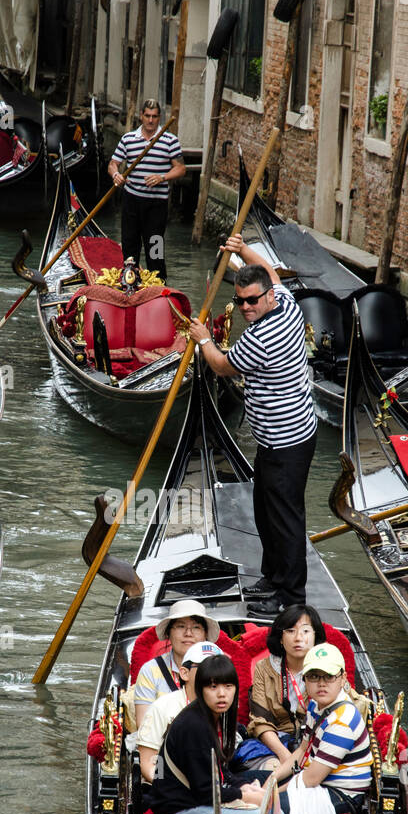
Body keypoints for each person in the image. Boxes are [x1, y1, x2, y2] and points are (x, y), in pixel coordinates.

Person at [190, 233, 317, 615]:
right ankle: (274, 577)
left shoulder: (262, 338)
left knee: (285, 520)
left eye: (251, 301)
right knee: (265, 511)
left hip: (286, 443)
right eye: (239, 300)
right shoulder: (287, 303)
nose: (244, 307)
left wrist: (203, 339)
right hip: (283, 437)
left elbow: (221, 365)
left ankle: (291, 597)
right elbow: (273, 274)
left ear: (266, 299)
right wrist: (241, 247)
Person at [148, 654, 267, 814]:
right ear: (200, 689)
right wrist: (246, 796)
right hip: (180, 811)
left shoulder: (208, 717)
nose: (222, 694)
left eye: (228, 686)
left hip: (194, 802)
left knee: (272, 809)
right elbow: (206, 792)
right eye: (213, 687)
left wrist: (244, 786)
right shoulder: (194, 726)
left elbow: (220, 771)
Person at [240, 604, 327, 779]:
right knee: (265, 766)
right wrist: (286, 757)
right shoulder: (264, 668)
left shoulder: (329, 668)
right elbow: (259, 721)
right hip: (275, 743)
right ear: (281, 638)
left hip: (317, 742)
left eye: (305, 631)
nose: (298, 638)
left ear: (315, 637)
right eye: (290, 631)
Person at [108, 99, 185, 282]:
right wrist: (115, 175)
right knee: (129, 246)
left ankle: (158, 284)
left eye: (155, 117)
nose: (151, 120)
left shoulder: (169, 141)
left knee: (155, 249)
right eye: (147, 116)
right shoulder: (128, 139)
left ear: (159, 118)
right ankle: (129, 283)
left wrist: (162, 177)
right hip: (131, 201)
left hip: (156, 205)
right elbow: (113, 164)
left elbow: (181, 169)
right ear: (141, 116)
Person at [137, 640, 220, 784]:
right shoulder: (162, 707)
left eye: (218, 667)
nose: (212, 674)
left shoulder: (224, 706)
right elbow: (150, 762)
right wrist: (169, 787)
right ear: (184, 673)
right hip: (172, 791)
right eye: (204, 667)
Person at [296, 643, 372, 795]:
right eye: (313, 676)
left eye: (329, 676)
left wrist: (267, 795)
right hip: (316, 780)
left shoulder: (343, 722)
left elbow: (311, 780)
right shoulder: (314, 705)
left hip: (339, 793)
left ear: (343, 679)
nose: (321, 683)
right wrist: (272, 779)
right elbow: (303, 749)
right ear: (305, 680)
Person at [132, 598, 219, 729]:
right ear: (168, 633)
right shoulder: (150, 671)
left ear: (205, 634)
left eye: (196, 627)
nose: (188, 633)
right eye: (181, 626)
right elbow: (144, 727)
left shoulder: (217, 668)